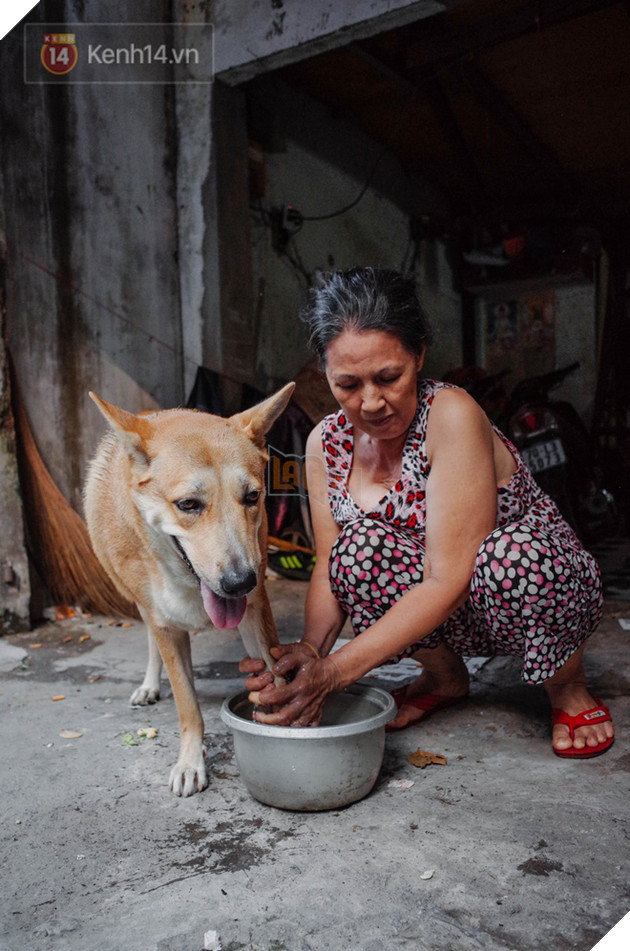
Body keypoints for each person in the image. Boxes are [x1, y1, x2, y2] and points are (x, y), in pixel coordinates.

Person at [241, 266, 614, 758]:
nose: (371, 402)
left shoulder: (450, 415)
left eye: (388, 377)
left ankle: (567, 686)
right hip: (438, 613)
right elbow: (330, 570)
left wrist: (334, 673)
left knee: (510, 554)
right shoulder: (324, 443)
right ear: (324, 374)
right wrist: (312, 652)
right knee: (355, 552)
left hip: (528, 592)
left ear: (418, 356)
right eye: (348, 384)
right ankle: (444, 676)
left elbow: (450, 577)